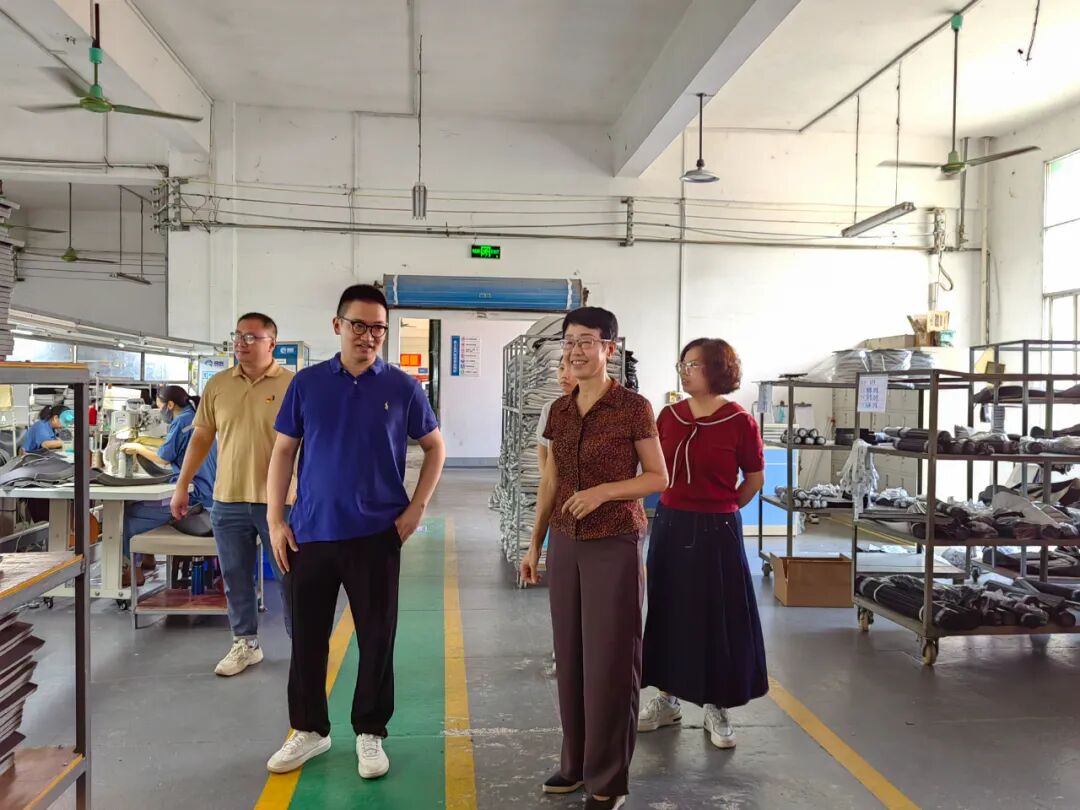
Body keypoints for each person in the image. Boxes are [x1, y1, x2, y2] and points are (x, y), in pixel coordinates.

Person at [263, 284, 445, 780]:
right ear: (338, 325)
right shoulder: (307, 384)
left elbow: (435, 447)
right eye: (359, 325)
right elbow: (283, 451)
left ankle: (370, 731)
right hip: (311, 533)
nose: (368, 336)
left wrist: (416, 509)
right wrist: (276, 519)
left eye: (378, 328)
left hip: (376, 536)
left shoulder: (403, 387)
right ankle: (310, 730)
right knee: (308, 638)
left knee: (376, 638)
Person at [520, 307, 667, 810]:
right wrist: (535, 542)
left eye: (586, 341)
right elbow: (551, 481)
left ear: (609, 348)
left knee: (610, 659)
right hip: (566, 541)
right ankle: (576, 762)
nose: (576, 351)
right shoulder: (559, 411)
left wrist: (604, 491)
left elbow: (657, 477)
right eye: (569, 342)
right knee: (571, 655)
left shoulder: (633, 407)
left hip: (613, 542)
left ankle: (608, 777)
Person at [637, 338, 768, 750]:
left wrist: (723, 507)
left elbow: (754, 479)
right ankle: (668, 698)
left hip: (718, 529)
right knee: (668, 607)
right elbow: (652, 469)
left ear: (716, 369)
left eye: (692, 364)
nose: (684, 371)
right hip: (671, 524)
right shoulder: (668, 416)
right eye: (682, 364)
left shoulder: (739, 421)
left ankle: (717, 704)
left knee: (718, 615)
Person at [171, 312, 294, 677]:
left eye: (251, 337)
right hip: (228, 499)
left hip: (281, 502)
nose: (241, 343)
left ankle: (303, 646)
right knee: (236, 576)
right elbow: (201, 437)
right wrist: (182, 485)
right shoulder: (218, 385)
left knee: (292, 578)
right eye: (238, 336)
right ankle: (245, 644)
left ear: (272, 343)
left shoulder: (294, 385)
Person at [120, 386, 218, 586]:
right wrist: (145, 442)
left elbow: (163, 458)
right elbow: (173, 448)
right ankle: (148, 559)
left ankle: (133, 571)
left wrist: (138, 447)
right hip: (208, 492)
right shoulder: (195, 418)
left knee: (129, 515)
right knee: (143, 507)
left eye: (160, 407)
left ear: (170, 405)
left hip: (193, 497)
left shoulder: (181, 421)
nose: (160, 411)